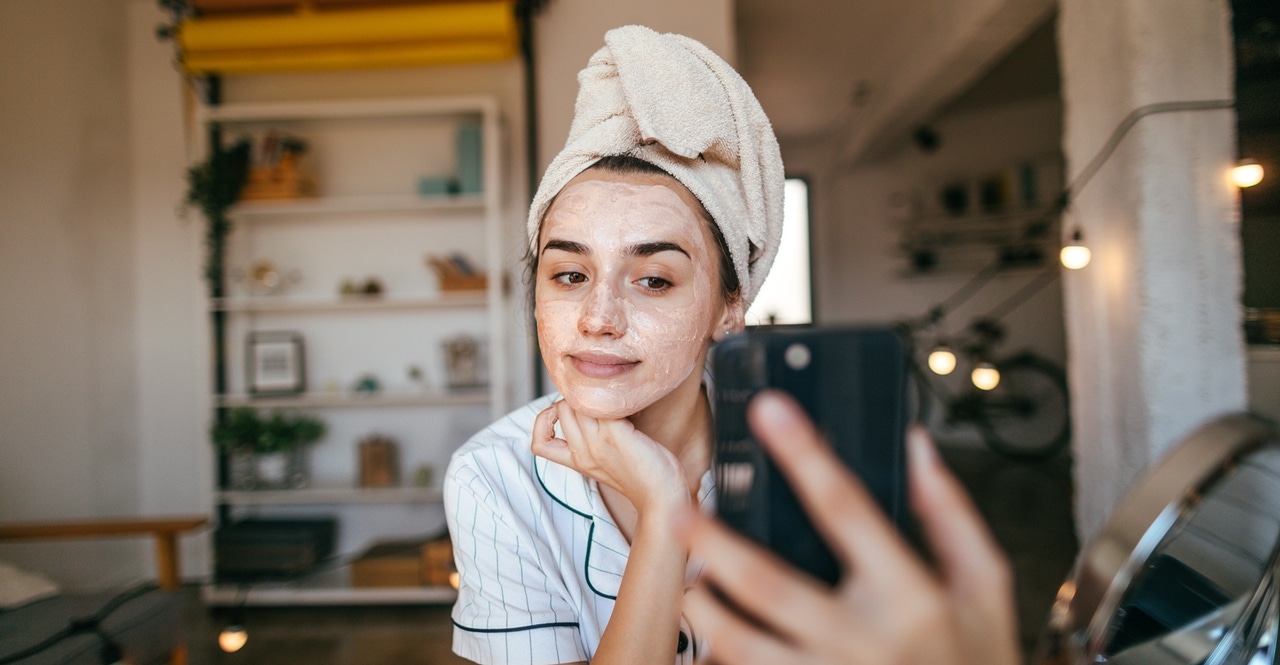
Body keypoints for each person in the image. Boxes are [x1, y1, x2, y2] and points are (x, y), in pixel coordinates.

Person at [444, 24, 784, 665]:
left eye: (654, 280)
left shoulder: (805, 460)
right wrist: (662, 512)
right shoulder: (495, 478)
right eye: (570, 275)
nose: (598, 318)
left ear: (729, 307)